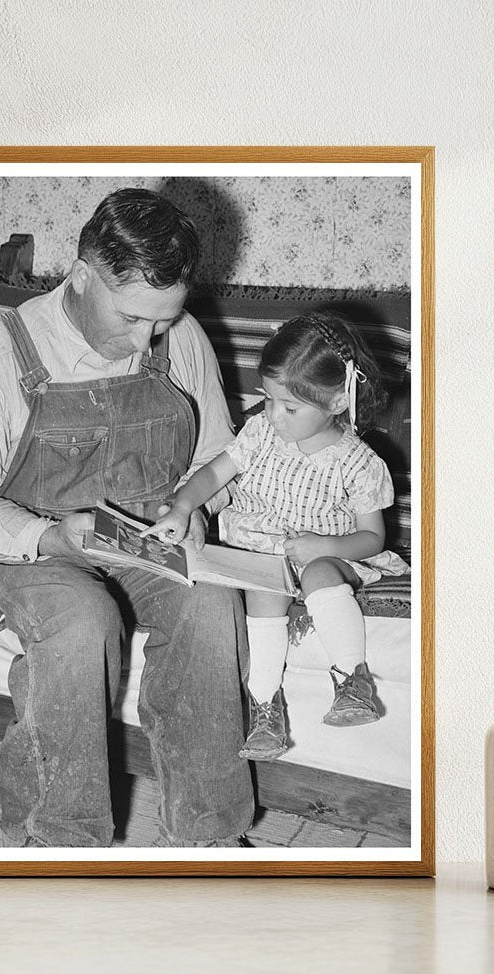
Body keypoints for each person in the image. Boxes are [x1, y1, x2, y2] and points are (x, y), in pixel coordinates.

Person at [0, 187, 255, 847]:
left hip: (147, 534)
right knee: (82, 622)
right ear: (82, 276)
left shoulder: (181, 335)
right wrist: (50, 536)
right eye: (131, 316)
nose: (146, 339)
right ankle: (60, 838)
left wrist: (196, 506)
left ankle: (209, 833)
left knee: (212, 602)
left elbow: (217, 455)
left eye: (162, 320)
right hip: (31, 541)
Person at [142, 313, 409, 760]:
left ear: (337, 402)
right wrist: (184, 506)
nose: (274, 415)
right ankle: (265, 706)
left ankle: (352, 681)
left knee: (320, 572)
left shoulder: (359, 463)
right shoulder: (260, 434)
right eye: (268, 399)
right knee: (264, 590)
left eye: (290, 408)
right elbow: (214, 474)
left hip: (331, 557)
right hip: (264, 557)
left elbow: (372, 538)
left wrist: (325, 546)